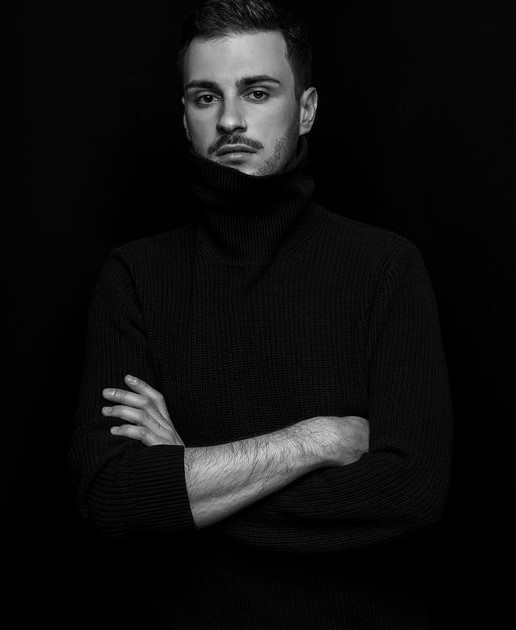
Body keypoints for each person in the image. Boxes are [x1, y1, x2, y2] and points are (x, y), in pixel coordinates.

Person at [69, 1, 453, 628]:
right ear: (185, 118)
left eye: (257, 91)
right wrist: (313, 442)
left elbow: (411, 494)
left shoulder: (385, 267)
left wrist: (188, 476)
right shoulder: (134, 276)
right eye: (205, 97)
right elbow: (111, 498)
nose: (229, 120)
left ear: (306, 109)